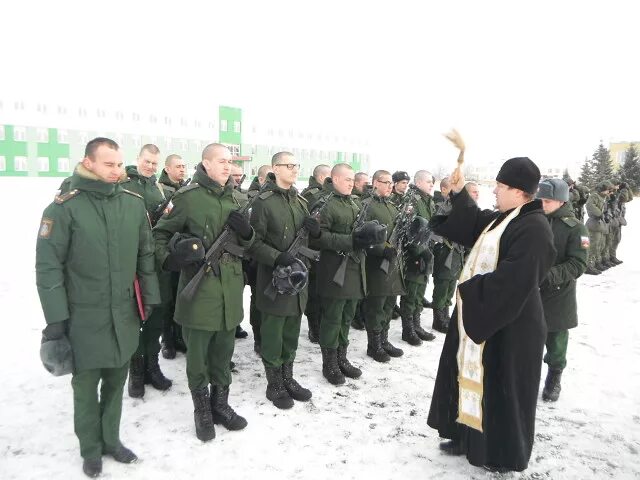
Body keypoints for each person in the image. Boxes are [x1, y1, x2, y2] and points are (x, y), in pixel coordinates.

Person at [36, 137, 161, 478]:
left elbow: (145, 256)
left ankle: (111, 439)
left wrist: (148, 298)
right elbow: (48, 268)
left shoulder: (133, 204)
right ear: (88, 163)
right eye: (109, 164)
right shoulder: (63, 209)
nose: (117, 170)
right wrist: (57, 321)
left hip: (123, 314)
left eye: (120, 164)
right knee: (86, 386)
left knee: (117, 380)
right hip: (83, 317)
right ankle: (90, 450)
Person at [427, 155, 556, 473]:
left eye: (500, 186)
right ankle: (464, 436)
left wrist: (470, 290)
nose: (494, 191)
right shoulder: (506, 217)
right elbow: (473, 222)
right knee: (465, 376)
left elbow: (515, 281)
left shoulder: (534, 228)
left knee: (500, 388)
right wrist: (458, 194)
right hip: (484, 316)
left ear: (519, 191)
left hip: (509, 326)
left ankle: (499, 454)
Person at [154, 143, 253, 441]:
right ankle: (202, 411)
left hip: (230, 289)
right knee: (198, 357)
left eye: (230, 162)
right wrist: (173, 257)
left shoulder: (237, 197)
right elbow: (159, 234)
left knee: (224, 353)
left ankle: (220, 405)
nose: (227, 166)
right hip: (199, 289)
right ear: (206, 164)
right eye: (220, 161)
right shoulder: (187, 198)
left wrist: (247, 233)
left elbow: (248, 244)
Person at [248, 152, 319, 409]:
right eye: (289, 165)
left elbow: (307, 241)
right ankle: (274, 383)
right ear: (275, 168)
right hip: (274, 279)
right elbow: (253, 243)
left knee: (291, 332)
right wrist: (279, 258)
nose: (294, 169)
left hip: (298, 279)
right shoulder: (263, 202)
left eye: (296, 164)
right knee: (273, 333)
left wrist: (315, 232)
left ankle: (288, 377)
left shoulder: (300, 202)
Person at [311, 163, 383, 384]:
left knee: (347, 317)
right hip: (335, 270)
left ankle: (342, 357)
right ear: (334, 179)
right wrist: (350, 241)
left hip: (354, 269)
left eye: (353, 180)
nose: (351, 183)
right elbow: (317, 238)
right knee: (332, 318)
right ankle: (329, 363)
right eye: (347, 180)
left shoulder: (354, 203)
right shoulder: (325, 205)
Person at [122, 144, 173, 398]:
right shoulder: (123, 184)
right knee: (135, 318)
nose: (150, 166)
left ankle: (153, 367)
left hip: (157, 262)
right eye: (147, 161)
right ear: (138, 159)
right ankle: (137, 371)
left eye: (154, 163)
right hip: (132, 263)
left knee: (156, 316)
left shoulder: (158, 187)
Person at [537, 178, 588, 402]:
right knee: (526, 340)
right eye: (541, 199)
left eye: (547, 200)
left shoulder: (576, 228)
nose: (542, 204)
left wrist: (549, 276)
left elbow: (578, 264)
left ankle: (553, 378)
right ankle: (524, 378)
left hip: (558, 294)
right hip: (530, 293)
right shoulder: (534, 220)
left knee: (556, 342)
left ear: (561, 201)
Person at [361, 170, 406, 362]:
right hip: (376, 265)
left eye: (390, 183)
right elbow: (362, 236)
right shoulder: (366, 206)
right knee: (376, 307)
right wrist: (380, 250)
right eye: (385, 182)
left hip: (394, 264)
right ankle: (374, 345)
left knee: (389, 304)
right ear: (375, 183)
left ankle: (384, 340)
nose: (389, 186)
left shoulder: (393, 207)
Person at [398, 171, 437, 346]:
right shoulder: (412, 200)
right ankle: (408, 329)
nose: (431, 185)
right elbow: (407, 229)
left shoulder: (428, 200)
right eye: (428, 181)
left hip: (425, 251)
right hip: (413, 254)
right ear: (419, 182)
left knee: (420, 291)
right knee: (411, 292)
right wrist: (420, 250)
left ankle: (416, 325)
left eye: (432, 182)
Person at [158, 154, 189, 360]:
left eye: (184, 166)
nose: (182, 170)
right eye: (178, 166)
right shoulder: (160, 189)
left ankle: (180, 337)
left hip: (183, 252)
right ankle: (167, 341)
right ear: (167, 168)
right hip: (167, 254)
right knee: (167, 300)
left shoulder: (185, 190)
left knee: (181, 297)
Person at [300, 164, 331, 343]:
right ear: (320, 177)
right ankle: (314, 326)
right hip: (312, 249)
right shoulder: (310, 195)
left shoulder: (328, 195)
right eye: (327, 177)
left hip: (324, 249)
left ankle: (319, 323)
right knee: (313, 292)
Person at [431, 177, 465, 333]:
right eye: (452, 189)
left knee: (451, 285)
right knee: (442, 285)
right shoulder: (438, 205)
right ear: (443, 189)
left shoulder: (454, 205)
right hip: (444, 251)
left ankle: (445, 316)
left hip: (456, 251)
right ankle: (438, 320)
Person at [245, 164, 273, 353]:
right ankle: (259, 337)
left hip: (274, 259)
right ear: (261, 180)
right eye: (269, 177)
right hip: (255, 259)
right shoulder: (253, 200)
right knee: (258, 299)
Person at [584, 181, 611, 274]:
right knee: (592, 245)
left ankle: (595, 263)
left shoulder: (604, 197)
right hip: (594, 223)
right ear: (602, 189)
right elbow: (589, 205)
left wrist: (607, 214)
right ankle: (588, 265)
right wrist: (600, 214)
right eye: (607, 190)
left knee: (600, 245)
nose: (608, 192)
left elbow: (605, 208)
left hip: (600, 224)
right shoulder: (594, 196)